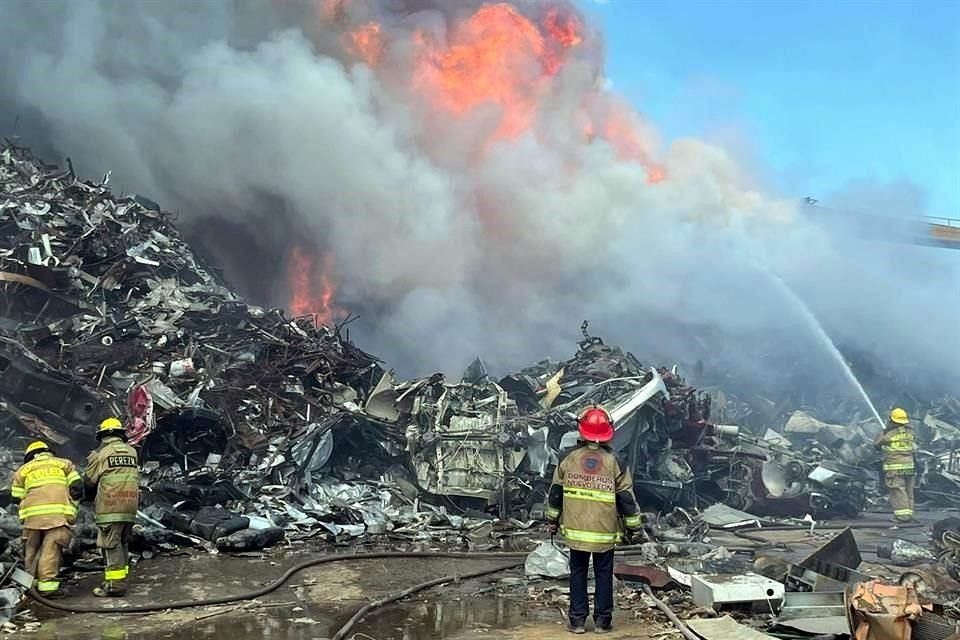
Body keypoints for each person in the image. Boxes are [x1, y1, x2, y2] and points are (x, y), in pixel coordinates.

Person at [545, 406, 644, 634]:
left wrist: (552, 520)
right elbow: (626, 499)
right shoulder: (616, 461)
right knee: (603, 574)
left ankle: (577, 621)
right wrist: (634, 527)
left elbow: (555, 493)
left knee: (578, 572)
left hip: (576, 529)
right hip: (604, 532)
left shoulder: (567, 457)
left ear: (581, 430)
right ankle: (602, 622)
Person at [10, 441, 82, 597]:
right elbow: (77, 488)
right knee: (50, 550)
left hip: (32, 518)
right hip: (57, 516)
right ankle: (48, 587)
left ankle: (31, 585)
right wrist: (72, 507)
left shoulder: (22, 471)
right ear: (48, 452)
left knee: (31, 550)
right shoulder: (64, 464)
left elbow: (15, 497)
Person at [84, 417, 140, 597]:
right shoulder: (132, 452)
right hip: (130, 505)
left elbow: (89, 482)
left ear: (102, 436)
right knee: (122, 542)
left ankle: (116, 585)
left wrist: (88, 498)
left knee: (110, 544)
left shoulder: (100, 454)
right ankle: (117, 579)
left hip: (110, 507)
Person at [874, 407, 917, 523]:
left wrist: (884, 431)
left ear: (891, 420)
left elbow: (877, 444)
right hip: (909, 466)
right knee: (908, 491)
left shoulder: (889, 434)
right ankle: (909, 514)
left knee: (898, 491)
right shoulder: (911, 433)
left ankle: (902, 517)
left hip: (895, 467)